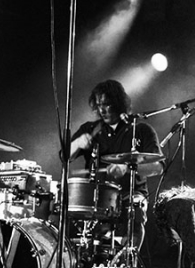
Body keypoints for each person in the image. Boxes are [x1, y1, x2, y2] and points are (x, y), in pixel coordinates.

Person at [68, 80, 163, 248]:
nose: (102, 110)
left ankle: (128, 260)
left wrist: (128, 168)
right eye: (98, 105)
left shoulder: (140, 130)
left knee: (135, 210)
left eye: (107, 104)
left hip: (130, 194)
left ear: (118, 104)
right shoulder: (90, 129)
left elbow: (157, 166)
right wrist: (76, 144)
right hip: (96, 195)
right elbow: (64, 156)